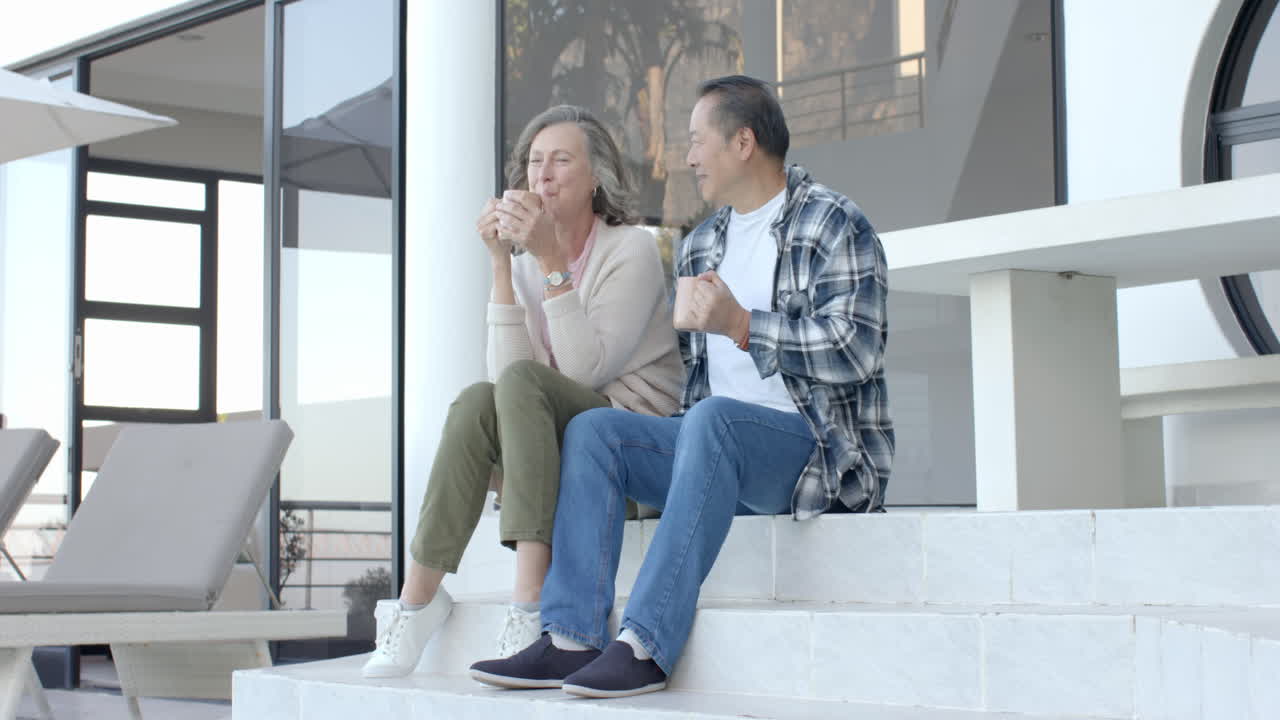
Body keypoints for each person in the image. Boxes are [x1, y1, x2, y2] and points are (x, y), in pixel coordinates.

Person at [469, 75, 893, 697]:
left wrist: (744, 326)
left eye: (697, 141)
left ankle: (644, 643)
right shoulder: (703, 243)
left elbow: (858, 351)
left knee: (713, 419)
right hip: (710, 446)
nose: (687, 157)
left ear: (743, 142)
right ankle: (568, 639)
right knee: (594, 429)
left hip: (811, 454)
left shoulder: (832, 222)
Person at [362, 105, 683, 678]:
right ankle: (418, 599)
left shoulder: (630, 249)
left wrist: (551, 259)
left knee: (514, 387)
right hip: (560, 453)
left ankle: (530, 599)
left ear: (596, 178)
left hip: (628, 460)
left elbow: (586, 370)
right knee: (474, 401)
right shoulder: (532, 261)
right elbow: (508, 377)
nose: (544, 175)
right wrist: (501, 266)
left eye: (561, 161)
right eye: (535, 162)